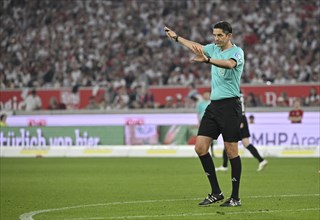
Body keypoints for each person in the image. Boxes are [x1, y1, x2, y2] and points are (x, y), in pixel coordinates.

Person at [165, 21, 244, 207]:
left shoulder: (237, 52)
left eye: (220, 35)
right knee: (200, 147)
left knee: (232, 151)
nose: (216, 39)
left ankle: (235, 197)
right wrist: (177, 38)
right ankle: (216, 192)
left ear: (229, 36)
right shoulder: (213, 48)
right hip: (214, 106)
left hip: (230, 106)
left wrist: (207, 60)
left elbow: (229, 65)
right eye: (214, 35)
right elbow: (197, 47)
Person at [215, 92, 268, 172]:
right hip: (241, 118)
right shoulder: (238, 93)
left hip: (238, 119)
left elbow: (237, 107)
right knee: (246, 143)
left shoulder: (233, 93)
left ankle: (224, 166)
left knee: (228, 142)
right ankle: (261, 160)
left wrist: (238, 120)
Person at [196, 91, 214, 157]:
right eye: (205, 94)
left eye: (207, 94)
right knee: (202, 137)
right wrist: (198, 122)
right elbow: (198, 113)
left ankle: (211, 151)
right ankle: (204, 151)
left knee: (210, 138)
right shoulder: (200, 104)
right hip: (202, 120)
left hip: (211, 121)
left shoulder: (212, 103)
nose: (206, 95)